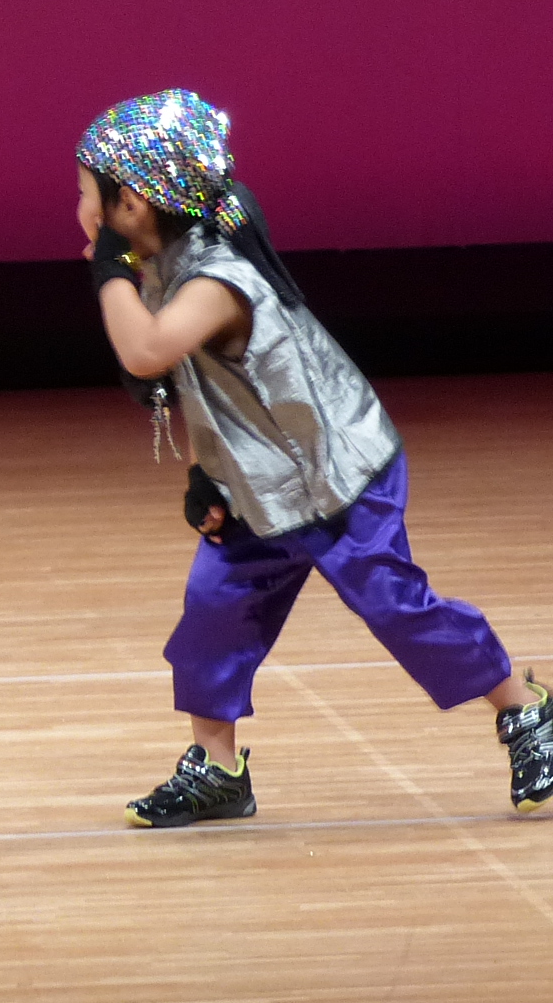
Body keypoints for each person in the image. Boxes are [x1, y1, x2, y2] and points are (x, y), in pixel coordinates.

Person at [77, 90, 553, 826]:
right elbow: (203, 388)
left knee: (395, 606)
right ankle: (218, 769)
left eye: (86, 193)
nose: (79, 209)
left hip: (338, 477)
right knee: (214, 614)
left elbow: (147, 352)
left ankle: (527, 711)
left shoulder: (216, 279)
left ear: (131, 204)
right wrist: (206, 473)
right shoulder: (167, 263)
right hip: (257, 486)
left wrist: (108, 269)